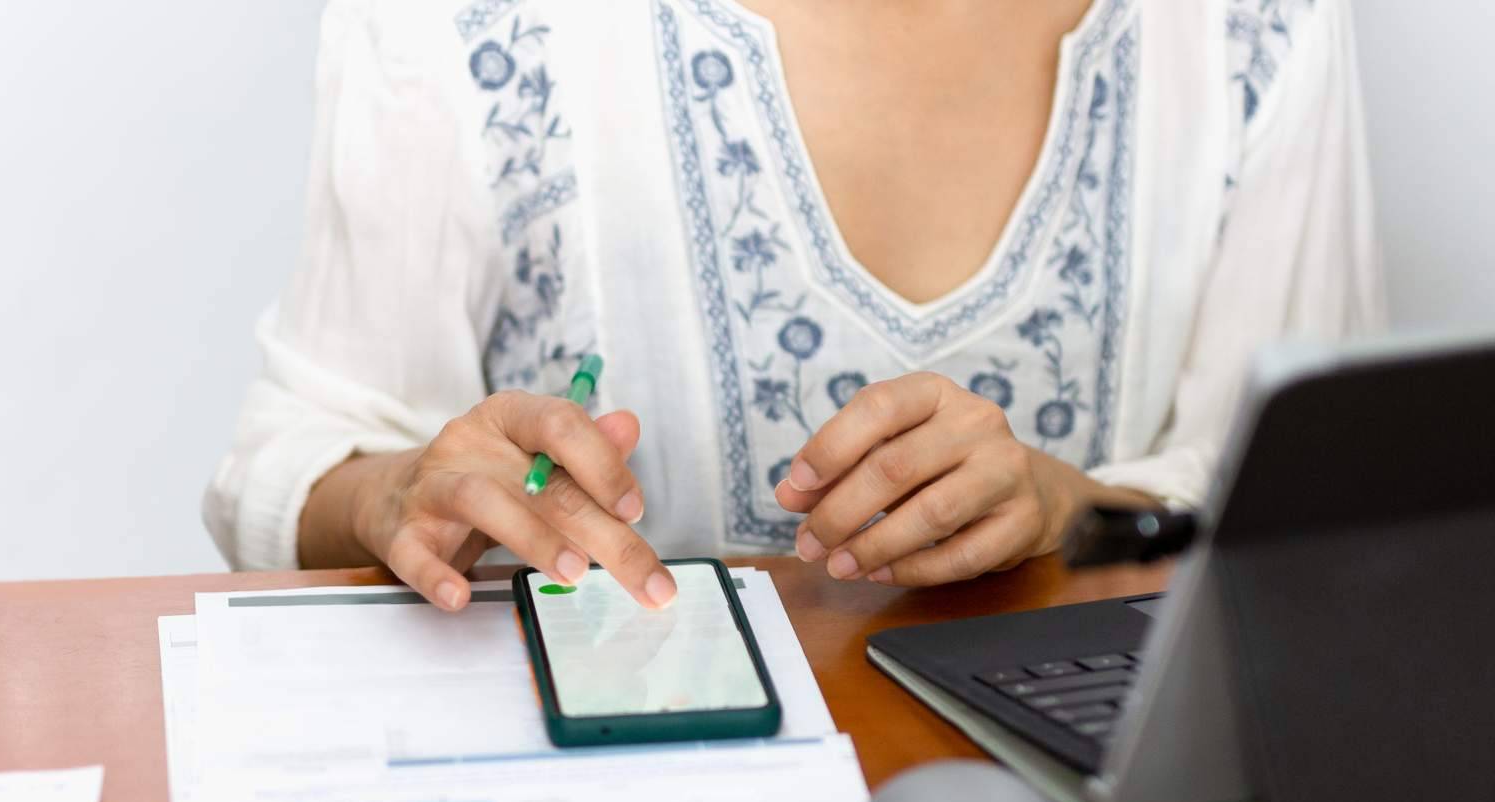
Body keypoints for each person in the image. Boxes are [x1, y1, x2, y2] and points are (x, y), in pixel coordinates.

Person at [205, 0, 1382, 610]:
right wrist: (400, 493)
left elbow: (1332, 515)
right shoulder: (466, 26)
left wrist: (1068, 508)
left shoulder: (1253, 28)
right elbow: (283, 466)